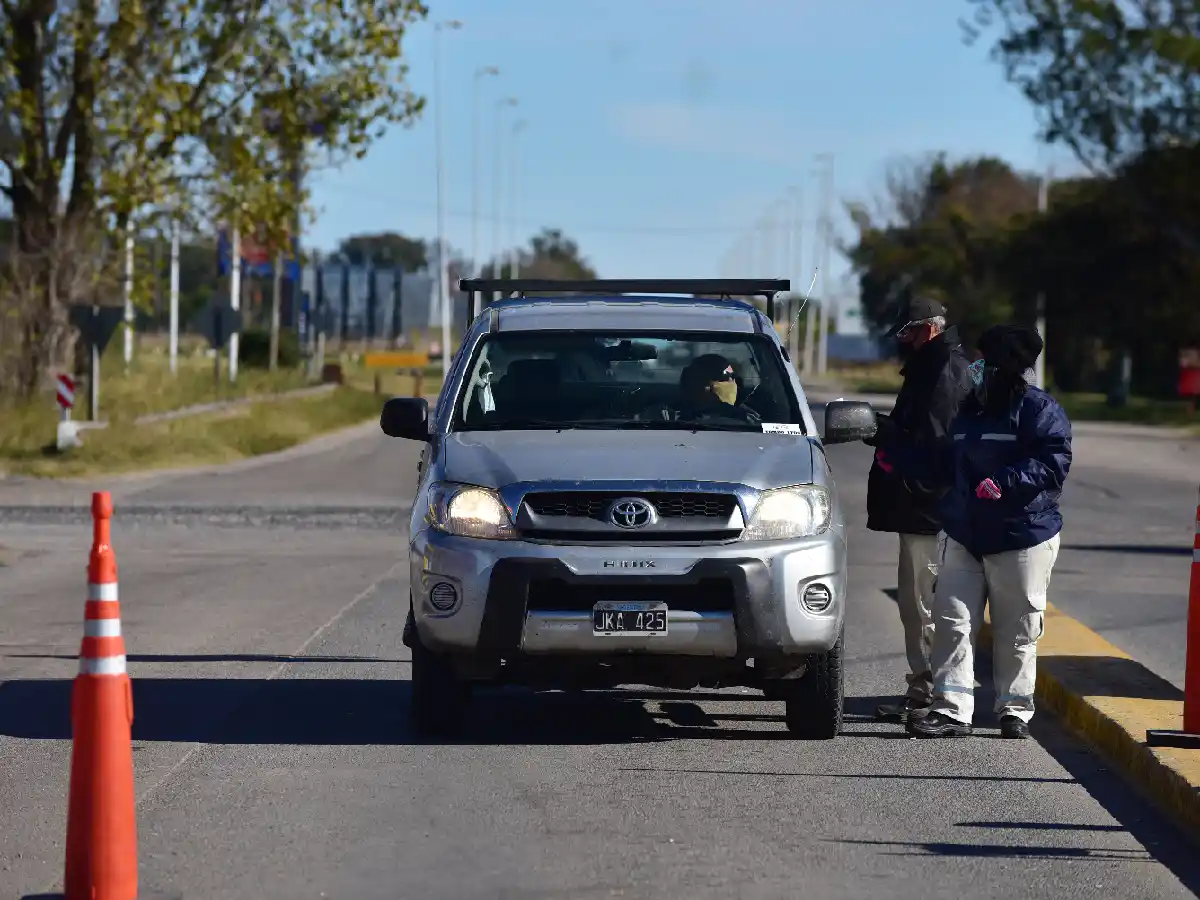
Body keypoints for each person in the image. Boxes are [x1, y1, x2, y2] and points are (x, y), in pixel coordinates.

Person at [898, 324, 1072, 740]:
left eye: (983, 362)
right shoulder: (968, 411)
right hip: (965, 534)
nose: (974, 369)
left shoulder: (1039, 410)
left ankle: (1014, 710)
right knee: (952, 620)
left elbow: (1053, 462)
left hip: (1022, 536)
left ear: (1002, 367)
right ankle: (952, 709)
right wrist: (903, 459)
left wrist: (1006, 481)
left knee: (1018, 628)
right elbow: (946, 463)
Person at [864, 297, 973, 723]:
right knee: (916, 605)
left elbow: (934, 444)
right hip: (921, 508)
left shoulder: (943, 371)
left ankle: (933, 695)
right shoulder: (933, 364)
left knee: (924, 606)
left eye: (907, 331)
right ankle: (923, 688)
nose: (903, 340)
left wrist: (883, 432)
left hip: (930, 511)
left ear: (928, 328)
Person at [677, 353, 761, 423]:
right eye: (725, 377)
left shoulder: (748, 416)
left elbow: (771, 431)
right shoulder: (671, 419)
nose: (733, 383)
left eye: (733, 377)